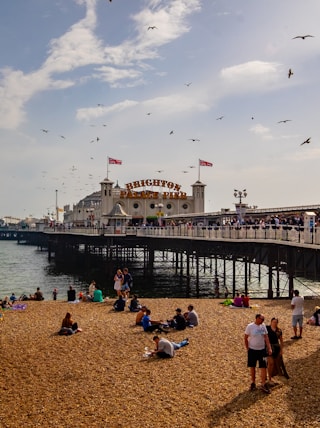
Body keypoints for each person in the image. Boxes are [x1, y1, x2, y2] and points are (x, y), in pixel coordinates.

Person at [244, 313, 273, 394]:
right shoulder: (250, 326)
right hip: (252, 350)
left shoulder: (263, 326)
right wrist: (247, 348)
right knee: (252, 366)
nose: (263, 321)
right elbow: (245, 337)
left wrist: (269, 347)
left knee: (263, 366)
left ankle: (263, 384)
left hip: (262, 350)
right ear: (257, 318)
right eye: (261, 319)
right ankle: (253, 382)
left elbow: (266, 337)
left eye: (263, 319)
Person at [266, 317, 289, 383]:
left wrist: (281, 350)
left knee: (277, 363)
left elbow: (281, 341)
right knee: (271, 363)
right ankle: (269, 377)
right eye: (273, 322)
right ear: (271, 322)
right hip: (269, 347)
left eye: (276, 322)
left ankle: (273, 376)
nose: (275, 323)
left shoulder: (279, 330)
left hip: (276, 347)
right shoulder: (267, 328)